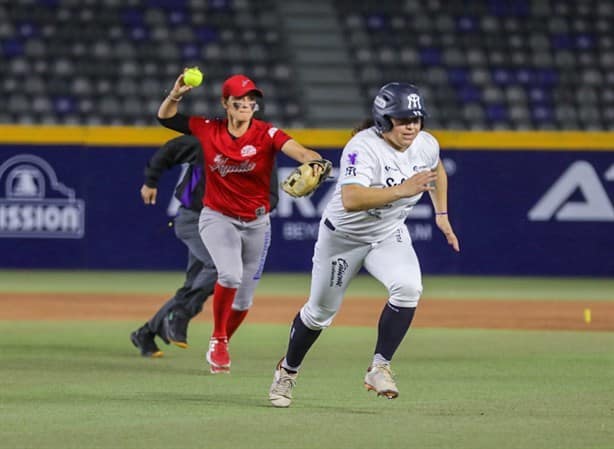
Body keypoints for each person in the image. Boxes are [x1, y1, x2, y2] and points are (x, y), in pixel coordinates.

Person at [268, 82, 460, 407]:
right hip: (343, 239)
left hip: (387, 234)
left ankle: (380, 366)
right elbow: (352, 198)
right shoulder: (362, 147)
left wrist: (441, 213)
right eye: (402, 119)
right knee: (319, 314)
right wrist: (403, 189)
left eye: (416, 119)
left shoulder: (426, 144)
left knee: (409, 288)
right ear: (384, 120)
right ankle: (287, 371)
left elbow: (436, 168)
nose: (411, 126)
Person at [157, 71, 323, 373]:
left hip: (258, 224)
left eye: (251, 100)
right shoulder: (209, 129)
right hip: (217, 218)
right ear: (226, 103)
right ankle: (219, 339)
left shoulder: (266, 133)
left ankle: (220, 341)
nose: (246, 105)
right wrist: (176, 93)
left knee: (244, 301)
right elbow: (167, 118)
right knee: (230, 276)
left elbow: (299, 150)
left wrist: (314, 162)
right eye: (239, 100)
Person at [129, 134, 279, 358]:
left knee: (193, 286)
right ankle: (179, 313)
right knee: (220, 268)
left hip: (225, 225)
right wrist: (151, 180)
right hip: (193, 219)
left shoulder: (261, 153)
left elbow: (271, 197)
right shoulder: (208, 141)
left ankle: (146, 332)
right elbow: (170, 150)